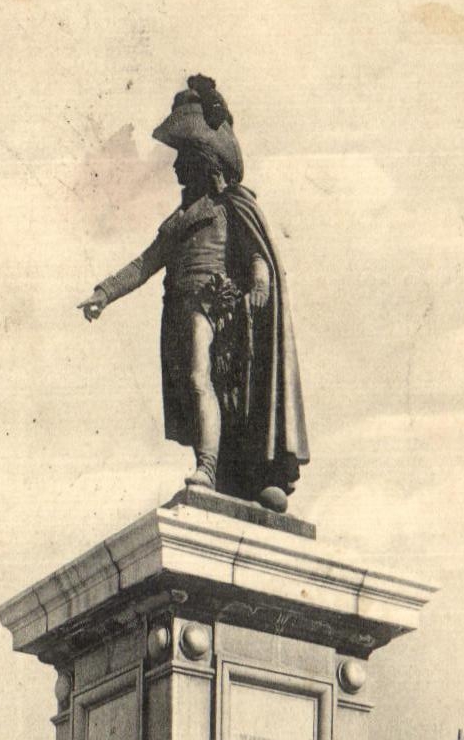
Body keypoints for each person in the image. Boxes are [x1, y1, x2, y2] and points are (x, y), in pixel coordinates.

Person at [78, 76, 308, 511]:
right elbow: (144, 264)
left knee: (201, 378)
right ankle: (222, 469)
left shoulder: (229, 206)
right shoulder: (177, 221)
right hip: (179, 308)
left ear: (204, 161)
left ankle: (207, 466)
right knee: (195, 384)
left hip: (214, 305)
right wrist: (104, 292)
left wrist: (260, 282)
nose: (176, 167)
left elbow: (256, 252)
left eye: (183, 157)